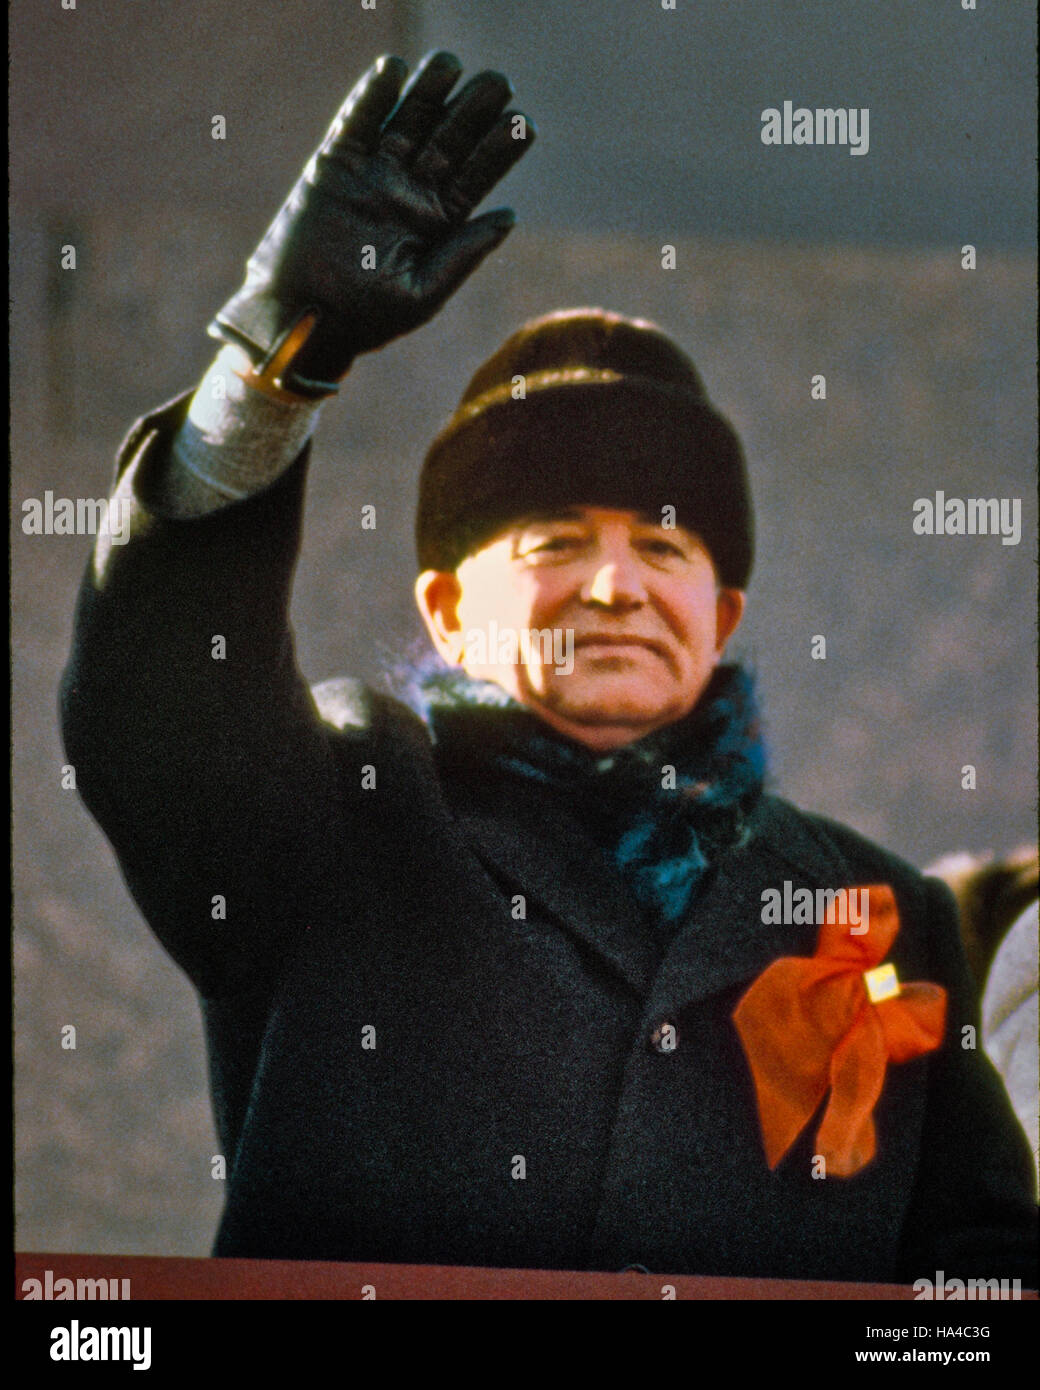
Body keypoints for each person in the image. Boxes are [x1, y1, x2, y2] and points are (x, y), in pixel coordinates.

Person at [60, 52, 1037, 1283]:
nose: (615, 585)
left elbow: (987, 1270)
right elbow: (157, 721)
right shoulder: (347, 800)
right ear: (447, 609)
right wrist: (271, 360)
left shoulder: (875, 907)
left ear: (721, 610)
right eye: (554, 542)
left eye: (662, 544)